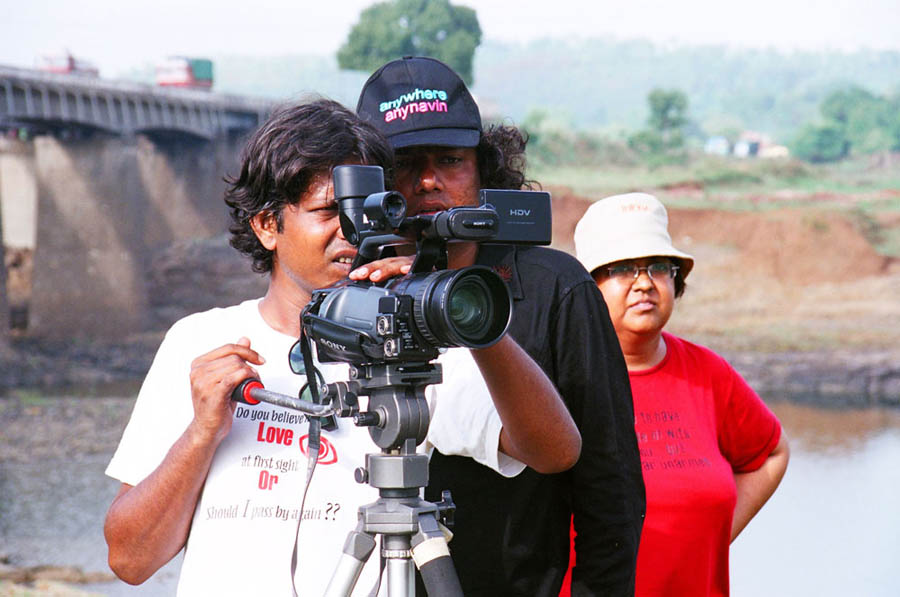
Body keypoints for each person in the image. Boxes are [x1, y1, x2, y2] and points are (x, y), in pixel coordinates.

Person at [103, 98, 583, 596]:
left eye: (371, 211)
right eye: (330, 211)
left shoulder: (409, 345)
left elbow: (555, 451)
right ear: (267, 225)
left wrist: (471, 323)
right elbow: (131, 560)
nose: (354, 232)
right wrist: (202, 434)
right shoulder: (200, 342)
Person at [355, 56, 645, 596]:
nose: (428, 181)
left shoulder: (556, 287)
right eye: (405, 164)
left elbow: (611, 488)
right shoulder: (352, 292)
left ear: (483, 169)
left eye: (450, 161)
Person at [563, 192, 790, 596]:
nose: (644, 283)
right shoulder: (559, 379)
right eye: (622, 269)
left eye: (657, 267)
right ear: (588, 287)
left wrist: (710, 540)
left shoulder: (708, 374)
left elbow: (771, 453)